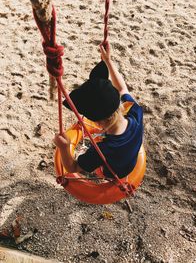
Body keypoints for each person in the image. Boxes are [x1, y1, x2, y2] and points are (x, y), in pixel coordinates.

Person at [53, 42, 143, 179]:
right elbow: (123, 88)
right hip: (131, 161)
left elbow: (72, 167)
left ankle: (101, 174)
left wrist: (64, 148)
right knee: (120, 153)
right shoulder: (135, 111)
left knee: (97, 169)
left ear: (98, 123)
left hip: (112, 172)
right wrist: (108, 61)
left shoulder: (103, 149)